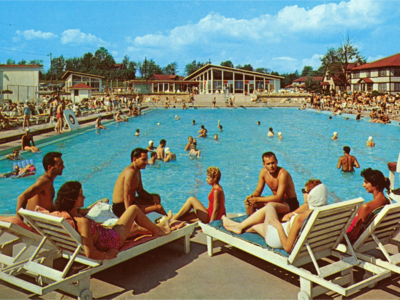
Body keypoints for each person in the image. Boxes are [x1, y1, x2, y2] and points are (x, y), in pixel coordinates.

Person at [54, 181, 171, 260]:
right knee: (133, 209)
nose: (84, 197)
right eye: (80, 195)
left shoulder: (66, 215)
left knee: (134, 228)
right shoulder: (82, 222)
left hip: (106, 234)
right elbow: (89, 252)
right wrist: (106, 255)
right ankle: (159, 230)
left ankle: (161, 225)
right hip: (112, 240)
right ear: (71, 199)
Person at [223, 180, 328, 252]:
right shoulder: (325, 211)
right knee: (255, 227)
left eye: (304, 192)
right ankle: (238, 226)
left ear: (311, 195)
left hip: (275, 237)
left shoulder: (301, 218)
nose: (303, 194)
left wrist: (278, 226)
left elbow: (288, 247)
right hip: (298, 239)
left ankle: (238, 226)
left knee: (269, 206)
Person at [112, 148, 167, 217]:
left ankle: (161, 219)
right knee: (159, 207)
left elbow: (140, 191)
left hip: (131, 202)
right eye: (143, 159)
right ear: (135, 159)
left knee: (156, 197)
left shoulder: (137, 171)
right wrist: (129, 216)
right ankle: (169, 221)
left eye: (146, 159)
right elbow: (127, 196)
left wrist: (152, 197)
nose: (146, 162)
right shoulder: (130, 172)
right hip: (121, 208)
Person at [16, 152, 64, 220]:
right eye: (60, 165)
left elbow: (47, 205)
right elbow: (22, 197)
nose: (63, 167)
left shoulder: (48, 181)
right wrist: (20, 222)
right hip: (38, 223)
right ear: (50, 167)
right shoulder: (44, 181)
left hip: (40, 221)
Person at [347, 168, 391, 243]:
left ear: (376, 185)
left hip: (357, 242)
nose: (363, 185)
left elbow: (354, 235)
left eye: (366, 182)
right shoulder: (387, 202)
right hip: (373, 239)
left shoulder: (366, 207)